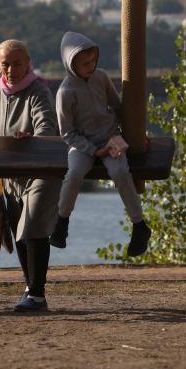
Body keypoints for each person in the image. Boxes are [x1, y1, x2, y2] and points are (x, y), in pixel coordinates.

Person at [51, 31, 151, 257]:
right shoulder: (65, 93)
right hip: (82, 143)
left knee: (120, 173)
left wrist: (135, 135)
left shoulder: (102, 77)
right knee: (74, 173)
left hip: (109, 137)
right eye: (85, 63)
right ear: (71, 64)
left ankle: (139, 225)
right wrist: (94, 150)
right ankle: (62, 221)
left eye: (93, 61)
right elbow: (67, 132)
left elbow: (117, 106)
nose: (91, 66)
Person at [0, 39, 60, 312]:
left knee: (32, 227)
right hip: (11, 175)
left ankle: (37, 293)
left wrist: (33, 138)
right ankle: (30, 288)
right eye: (5, 64)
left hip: (41, 171)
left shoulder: (38, 91)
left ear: (28, 63)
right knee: (17, 229)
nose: (11, 69)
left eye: (17, 63)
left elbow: (47, 124)